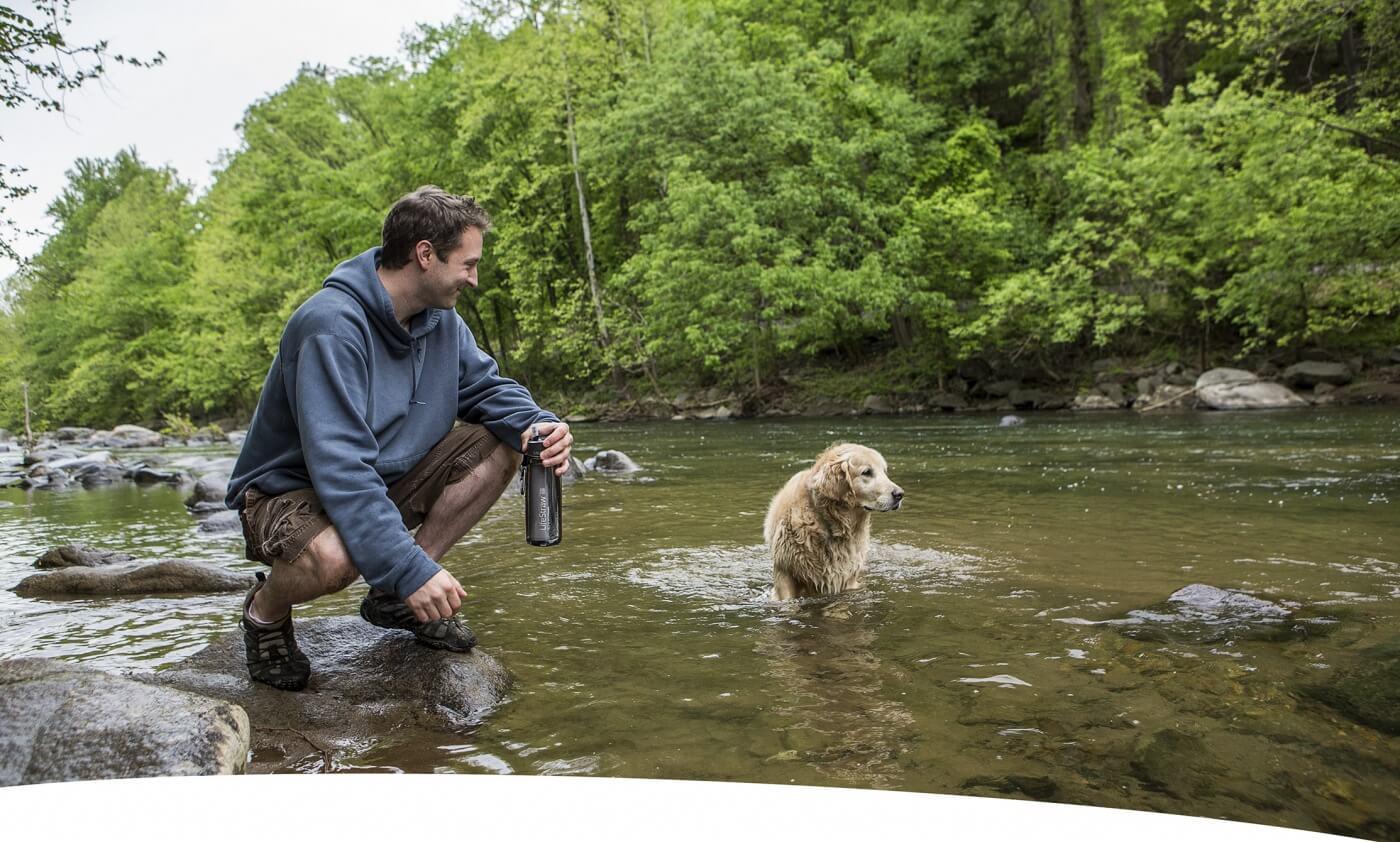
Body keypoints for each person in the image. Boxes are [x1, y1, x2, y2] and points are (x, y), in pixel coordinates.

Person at [225, 186, 572, 691]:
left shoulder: (442, 322)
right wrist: (408, 568)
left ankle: (391, 598)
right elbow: (341, 469)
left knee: (506, 438)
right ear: (425, 255)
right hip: (285, 493)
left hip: (379, 477)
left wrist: (539, 424)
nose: (475, 279)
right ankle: (264, 614)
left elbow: (484, 388)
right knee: (337, 559)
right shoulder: (329, 326)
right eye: (468, 264)